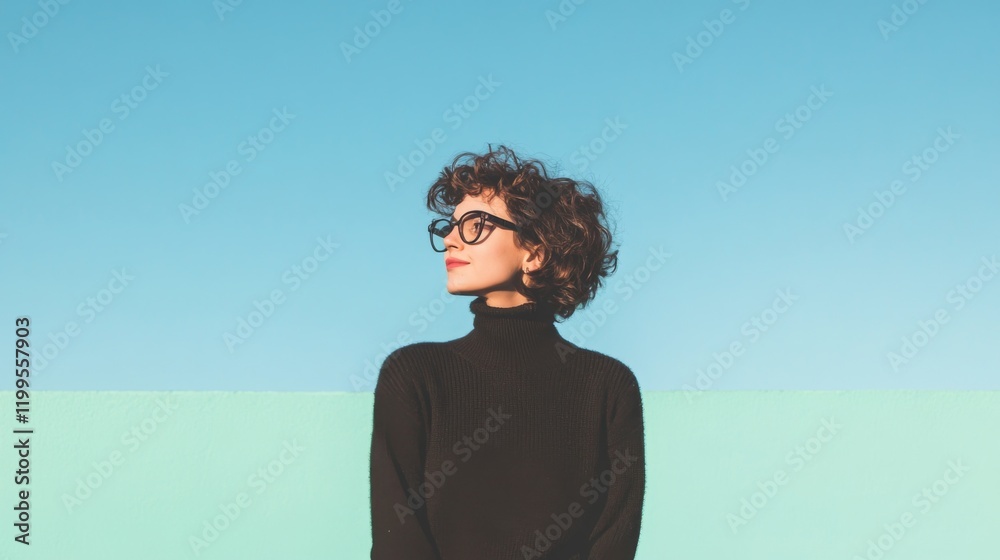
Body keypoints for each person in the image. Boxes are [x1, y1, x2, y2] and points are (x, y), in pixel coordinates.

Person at [369, 144, 645, 559]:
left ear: (534, 253)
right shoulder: (414, 374)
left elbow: (613, 539)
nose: (449, 240)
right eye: (450, 225)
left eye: (474, 225)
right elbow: (399, 542)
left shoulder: (608, 386)